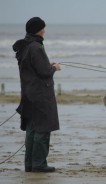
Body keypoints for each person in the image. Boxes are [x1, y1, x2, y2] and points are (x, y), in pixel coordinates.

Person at [12, 17, 61, 172]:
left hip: (29, 93)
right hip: (40, 94)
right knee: (42, 129)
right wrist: (54, 68)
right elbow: (44, 72)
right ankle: (39, 164)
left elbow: (35, 68)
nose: (44, 31)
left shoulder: (26, 46)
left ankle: (30, 165)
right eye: (42, 28)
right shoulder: (35, 47)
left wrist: (48, 65)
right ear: (37, 30)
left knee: (32, 129)